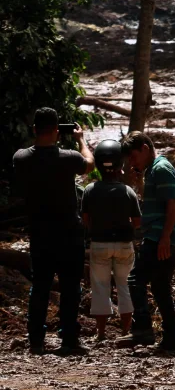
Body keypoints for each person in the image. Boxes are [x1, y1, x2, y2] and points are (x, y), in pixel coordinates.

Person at [12, 108, 95, 355]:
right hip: (69, 234)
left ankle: (36, 340)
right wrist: (81, 139)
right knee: (71, 288)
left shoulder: (20, 158)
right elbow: (89, 164)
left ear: (35, 129)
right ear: (58, 132)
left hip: (40, 234)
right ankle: (69, 339)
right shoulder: (69, 158)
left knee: (40, 287)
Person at [116, 132, 175, 354]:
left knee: (136, 279)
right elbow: (159, 200)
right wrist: (141, 182)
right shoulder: (155, 170)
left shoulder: (160, 168)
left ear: (145, 148)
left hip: (159, 237)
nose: (133, 163)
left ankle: (144, 327)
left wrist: (165, 236)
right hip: (161, 236)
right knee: (160, 288)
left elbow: (172, 203)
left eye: (134, 157)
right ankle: (172, 340)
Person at [82, 140, 141, 342]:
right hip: (124, 244)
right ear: (120, 165)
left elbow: (86, 219)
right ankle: (125, 332)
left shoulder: (90, 190)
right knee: (125, 287)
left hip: (99, 244)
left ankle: (101, 334)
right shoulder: (127, 191)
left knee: (100, 287)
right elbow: (137, 221)